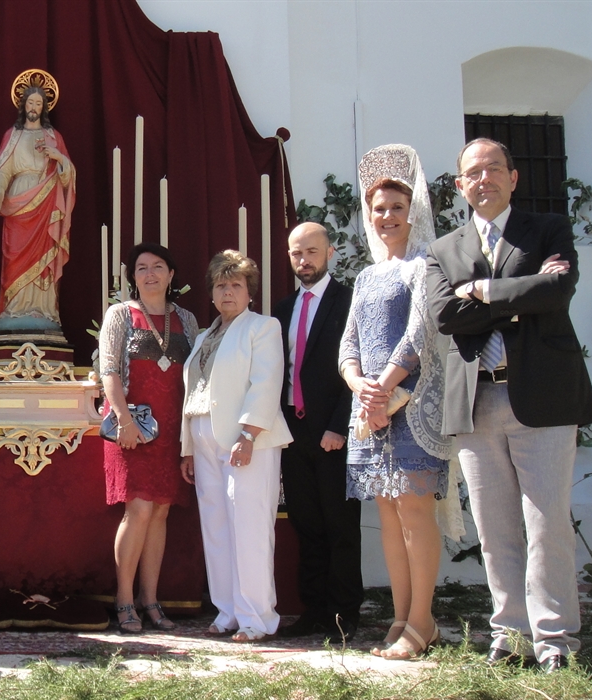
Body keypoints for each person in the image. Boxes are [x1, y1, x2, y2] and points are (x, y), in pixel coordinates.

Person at [426, 138, 592, 673]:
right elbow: (443, 316)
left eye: (493, 169)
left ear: (513, 177)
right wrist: (515, 295)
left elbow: (557, 290)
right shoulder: (443, 249)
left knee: (546, 525)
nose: (484, 179)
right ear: (459, 185)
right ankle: (510, 633)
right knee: (496, 529)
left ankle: (555, 642)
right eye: (472, 173)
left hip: (542, 397)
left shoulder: (547, 230)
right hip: (477, 402)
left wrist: (478, 293)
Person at [341, 145, 453, 661]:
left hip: (411, 402)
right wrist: (357, 384)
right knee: (386, 513)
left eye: (395, 208)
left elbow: (418, 334)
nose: (386, 217)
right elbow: (349, 343)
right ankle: (402, 616)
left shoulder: (424, 264)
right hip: (371, 408)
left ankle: (424, 619)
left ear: (414, 212)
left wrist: (382, 386)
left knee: (413, 509)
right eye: (378, 209)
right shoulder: (365, 276)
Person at [181, 250, 292, 642]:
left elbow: (266, 382)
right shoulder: (204, 335)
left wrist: (248, 435)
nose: (227, 292)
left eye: (236, 285)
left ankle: (257, 618)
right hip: (203, 437)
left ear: (250, 293)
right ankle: (228, 610)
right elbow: (194, 390)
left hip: (248, 439)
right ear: (211, 293)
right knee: (215, 525)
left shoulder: (263, 328)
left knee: (249, 526)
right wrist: (188, 447)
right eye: (221, 285)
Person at [97, 242, 198, 633]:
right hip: (132, 425)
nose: (151, 274)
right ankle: (124, 602)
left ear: (171, 275)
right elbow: (108, 370)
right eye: (142, 268)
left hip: (173, 429)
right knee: (138, 509)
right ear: (133, 277)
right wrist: (122, 419)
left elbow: (195, 377)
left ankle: (150, 599)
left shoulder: (186, 319)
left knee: (160, 511)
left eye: (158, 267)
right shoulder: (120, 315)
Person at [271, 222, 360, 641]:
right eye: (295, 253)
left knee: (340, 526)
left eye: (311, 251)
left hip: (333, 433)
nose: (303, 260)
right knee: (306, 524)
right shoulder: (283, 309)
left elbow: (358, 367)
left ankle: (344, 616)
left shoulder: (350, 300)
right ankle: (314, 611)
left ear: (329, 252)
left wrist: (338, 426)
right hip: (294, 432)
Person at [0, 84, 76, 332]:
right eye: (30, 103)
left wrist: (57, 156)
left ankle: (43, 310)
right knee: (15, 255)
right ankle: (14, 310)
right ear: (23, 106)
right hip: (18, 201)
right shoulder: (12, 135)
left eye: (38, 104)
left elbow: (68, 178)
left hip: (46, 201)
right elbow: (3, 169)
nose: (34, 108)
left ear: (44, 108)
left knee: (43, 254)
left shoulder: (54, 136)